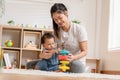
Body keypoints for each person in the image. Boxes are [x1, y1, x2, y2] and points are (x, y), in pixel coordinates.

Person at [50, 3, 88, 73]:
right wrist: (56, 51)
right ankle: (61, 70)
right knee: (31, 64)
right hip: (62, 61)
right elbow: (56, 49)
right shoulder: (56, 32)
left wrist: (73, 57)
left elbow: (85, 51)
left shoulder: (79, 29)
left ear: (66, 13)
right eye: (55, 20)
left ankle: (62, 71)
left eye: (60, 18)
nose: (58, 21)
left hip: (76, 61)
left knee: (77, 66)